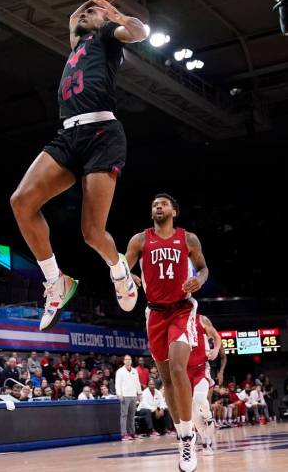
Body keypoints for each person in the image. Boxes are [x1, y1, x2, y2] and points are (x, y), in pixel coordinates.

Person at [10, 0, 149, 330]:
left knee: (91, 233)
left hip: (102, 133)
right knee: (21, 202)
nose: (86, 14)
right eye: (86, 12)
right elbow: (74, 17)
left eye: (93, 12)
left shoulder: (107, 37)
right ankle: (56, 281)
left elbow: (140, 33)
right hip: (69, 135)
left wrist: (116, 13)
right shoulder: (78, 42)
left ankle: (120, 273)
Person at [125, 192, 208, 472]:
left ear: (174, 210)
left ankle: (188, 437)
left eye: (162, 204)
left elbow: (204, 268)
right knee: (167, 380)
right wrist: (130, 276)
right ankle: (182, 432)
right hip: (155, 313)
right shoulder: (139, 240)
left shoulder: (188, 238)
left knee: (177, 367)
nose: (157, 206)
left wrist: (198, 279)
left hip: (182, 309)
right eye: (153, 205)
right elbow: (123, 267)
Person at [187, 314, 221, 455]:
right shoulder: (174, 319)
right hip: (184, 371)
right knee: (192, 411)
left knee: (200, 399)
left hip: (201, 367)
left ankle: (208, 416)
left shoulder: (201, 319)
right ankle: (205, 441)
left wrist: (216, 349)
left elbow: (216, 336)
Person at [115, 354, 142, 441]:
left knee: (132, 415)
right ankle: (124, 434)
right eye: (126, 359)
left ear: (131, 361)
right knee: (124, 415)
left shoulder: (134, 370)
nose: (128, 361)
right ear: (124, 361)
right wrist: (119, 394)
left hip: (133, 395)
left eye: (129, 359)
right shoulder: (120, 371)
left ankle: (132, 433)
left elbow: (137, 382)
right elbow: (117, 384)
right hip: (125, 396)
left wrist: (139, 393)